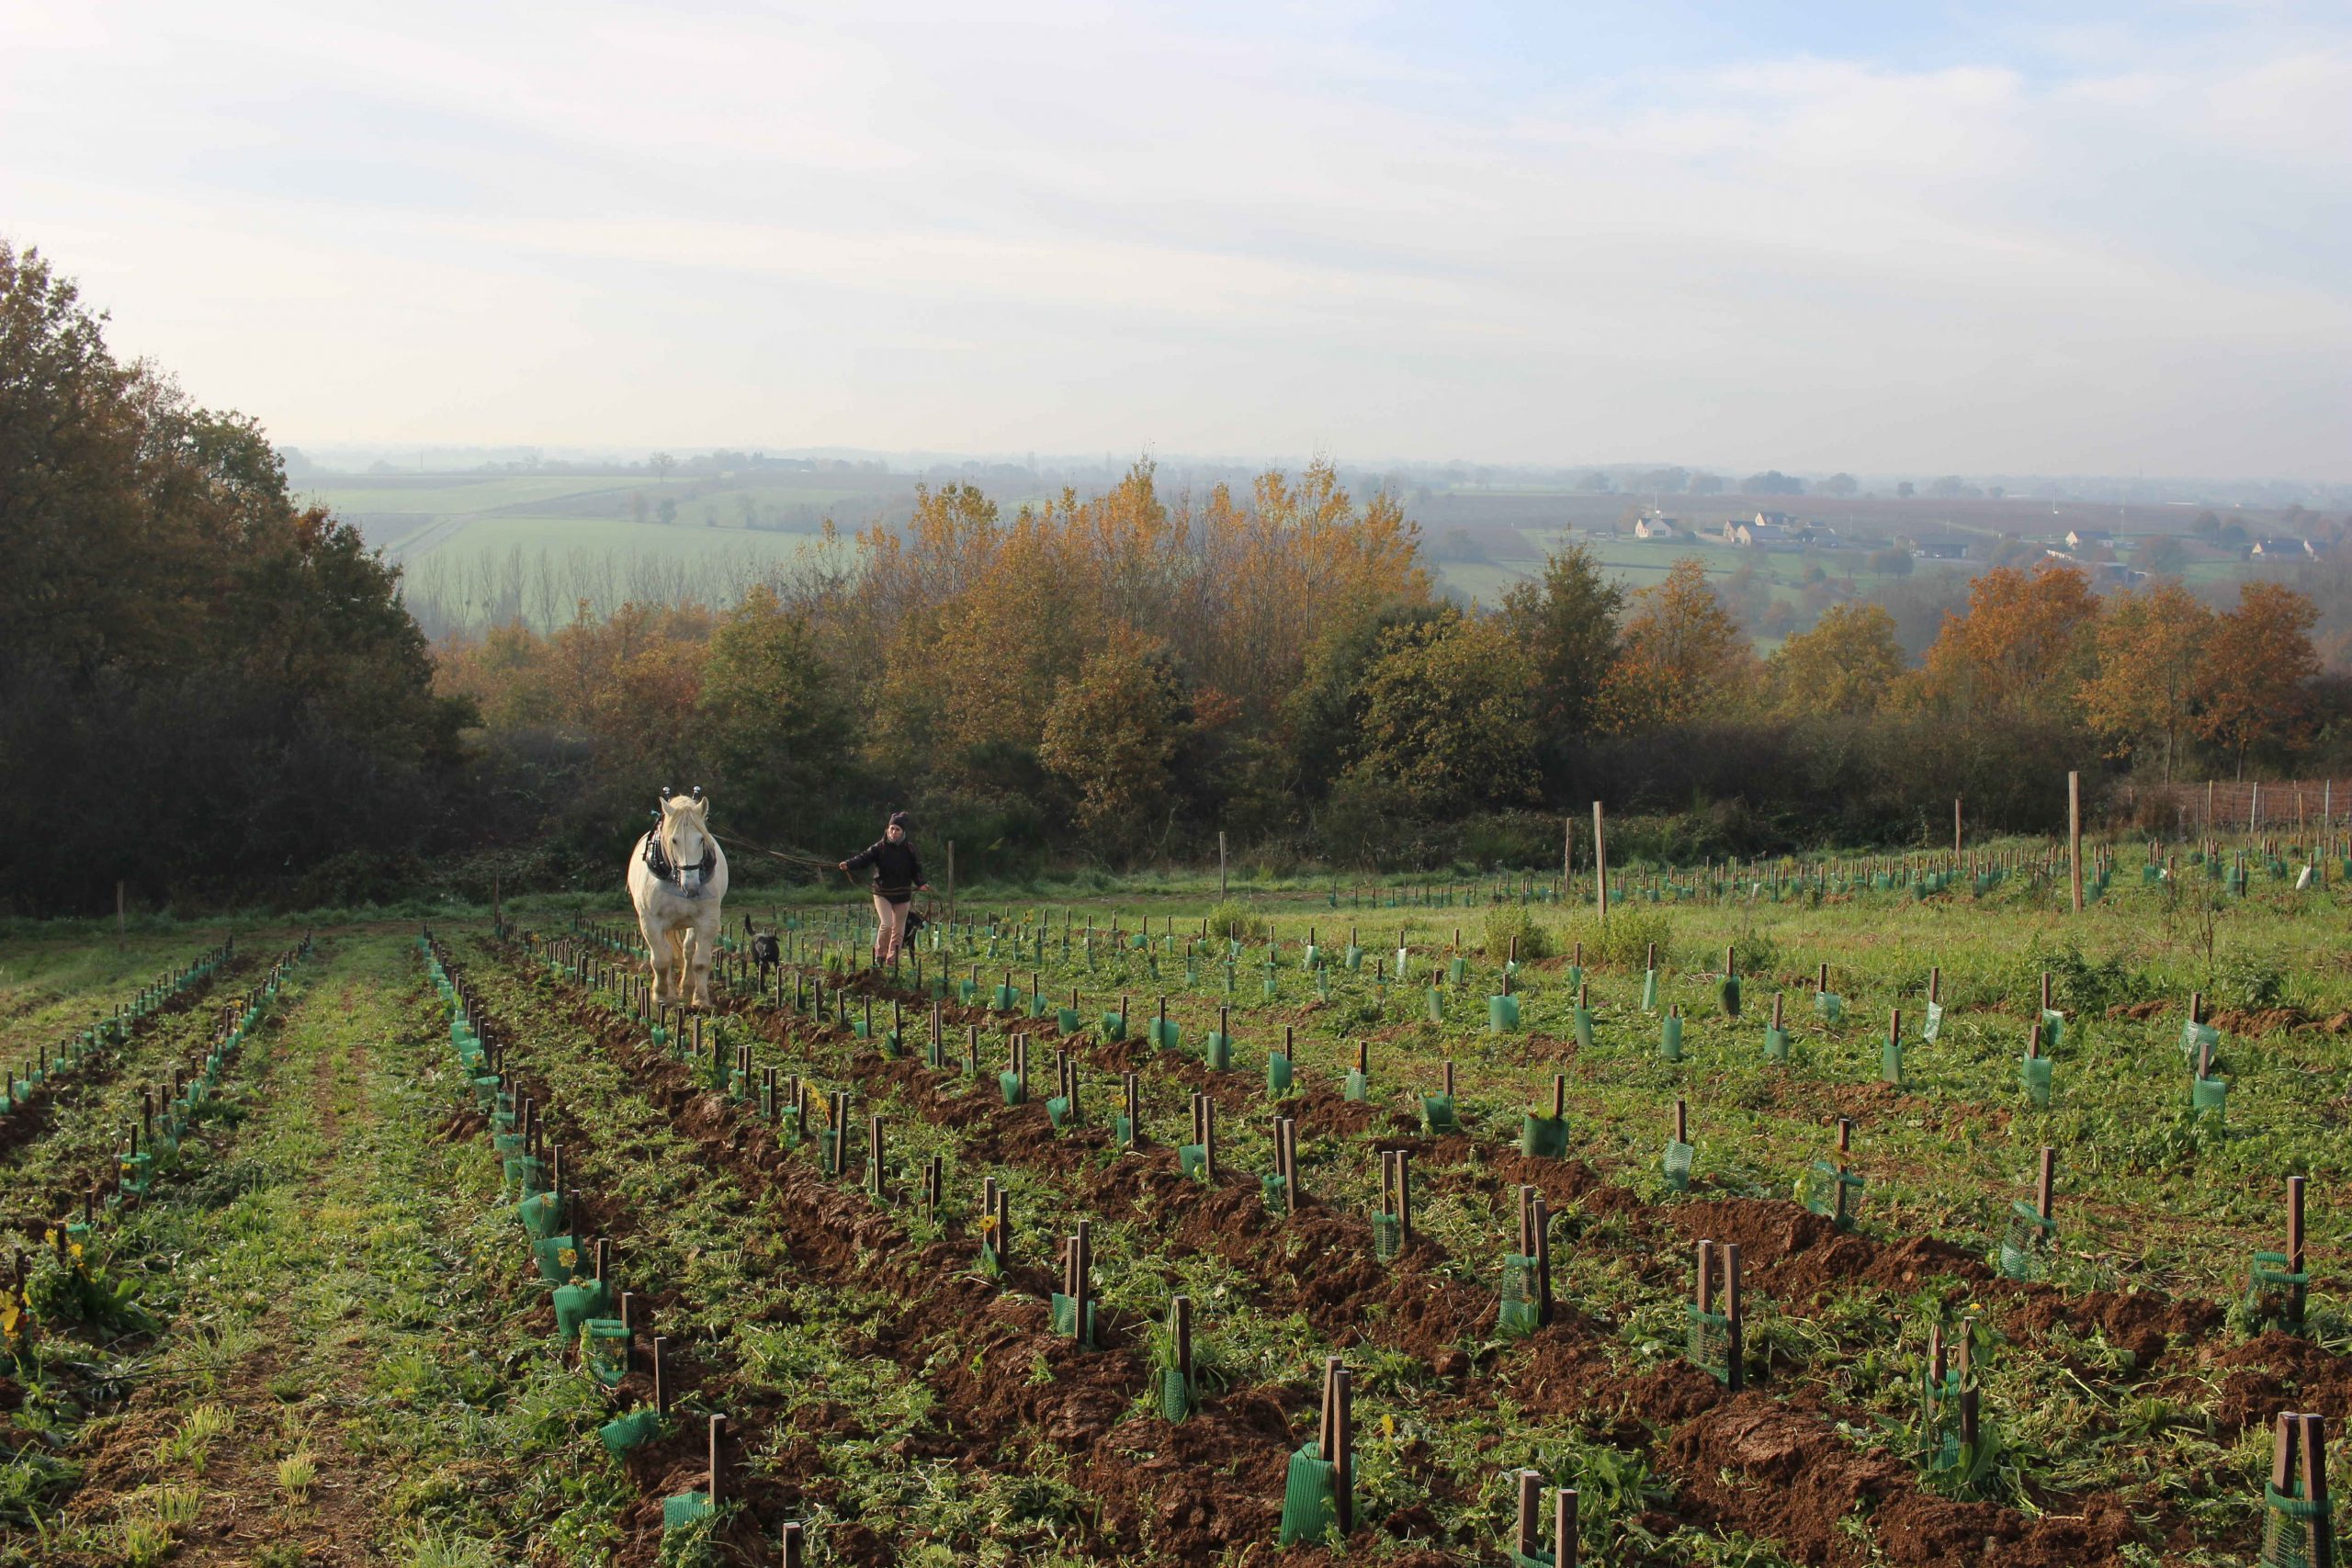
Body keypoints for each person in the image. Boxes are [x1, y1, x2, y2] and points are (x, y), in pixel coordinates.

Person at [839, 812, 930, 963]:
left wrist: (921, 883)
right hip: (882, 892)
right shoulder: (879, 847)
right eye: (892, 828)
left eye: (897, 829)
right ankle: (880, 956)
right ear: (888, 829)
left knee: (899, 930)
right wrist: (848, 864)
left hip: (903, 894)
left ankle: (892, 960)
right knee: (887, 925)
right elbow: (863, 858)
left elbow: (916, 869)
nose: (894, 832)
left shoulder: (910, 849)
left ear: (903, 832)